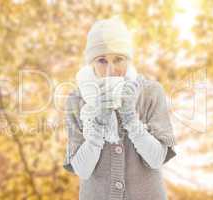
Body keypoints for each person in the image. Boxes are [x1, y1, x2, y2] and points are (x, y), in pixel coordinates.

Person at [63, 15, 177, 200]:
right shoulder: (76, 100)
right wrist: (98, 123)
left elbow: (156, 159)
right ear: (91, 62)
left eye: (118, 59)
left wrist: (130, 118)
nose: (110, 70)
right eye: (102, 60)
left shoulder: (150, 93)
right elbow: (82, 171)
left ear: (129, 59)